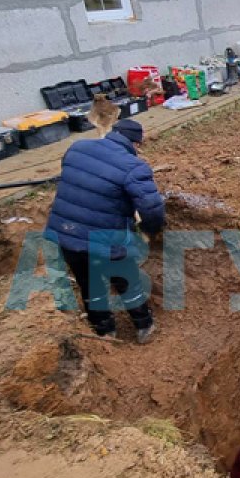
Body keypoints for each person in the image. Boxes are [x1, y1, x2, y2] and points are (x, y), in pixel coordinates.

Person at [45, 118, 164, 343]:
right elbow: (151, 208)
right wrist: (150, 230)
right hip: (105, 239)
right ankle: (144, 326)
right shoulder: (133, 166)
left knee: (88, 283)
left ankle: (104, 330)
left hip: (66, 233)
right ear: (136, 144)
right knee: (126, 280)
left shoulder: (77, 148)